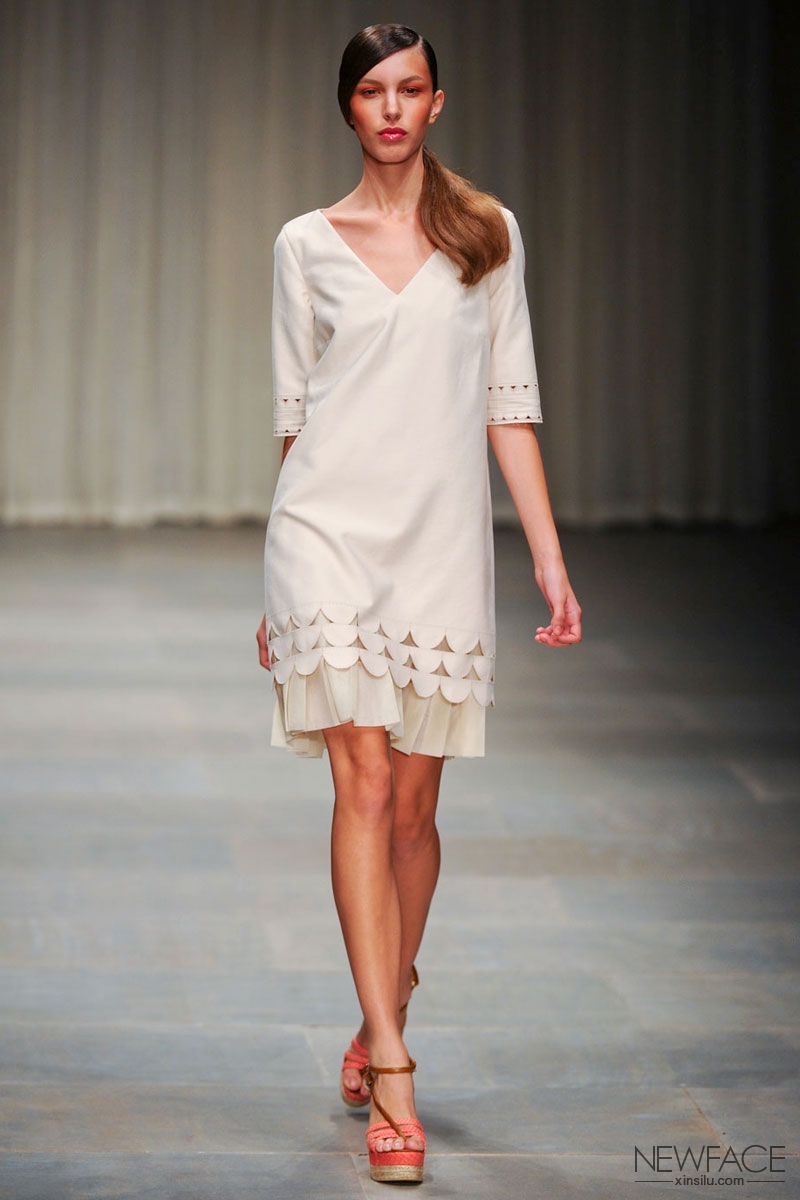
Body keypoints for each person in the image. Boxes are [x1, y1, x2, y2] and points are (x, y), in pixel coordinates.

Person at [256, 23, 581, 1185]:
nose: (389, 109)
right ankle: (392, 1067)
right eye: (370, 92)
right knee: (363, 781)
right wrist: (276, 584)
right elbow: (294, 417)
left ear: (436, 103)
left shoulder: (485, 234)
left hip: (438, 546)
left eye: (409, 89)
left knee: (411, 813)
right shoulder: (305, 243)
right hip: (325, 535)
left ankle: (377, 1003)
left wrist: (546, 556)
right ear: (347, 108)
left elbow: (508, 402)